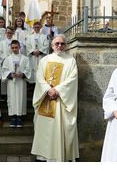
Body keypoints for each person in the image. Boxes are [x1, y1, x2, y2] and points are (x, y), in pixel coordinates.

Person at [31, 34, 79, 162]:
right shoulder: (44, 60)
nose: (60, 46)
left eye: (62, 44)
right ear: (52, 46)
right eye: (57, 43)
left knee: (59, 128)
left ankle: (59, 155)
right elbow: (39, 77)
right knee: (45, 128)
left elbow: (72, 79)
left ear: (66, 46)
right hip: (45, 99)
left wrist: (57, 90)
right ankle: (43, 156)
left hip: (61, 102)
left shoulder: (71, 61)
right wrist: (48, 89)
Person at [2, 40, 31, 127]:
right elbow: (4, 70)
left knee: (20, 98)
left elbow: (28, 69)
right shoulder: (7, 59)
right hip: (12, 83)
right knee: (12, 99)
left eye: (16, 47)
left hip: (21, 82)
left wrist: (23, 74)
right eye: (13, 48)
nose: (14, 49)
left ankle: (19, 118)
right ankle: (13, 117)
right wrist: (10, 74)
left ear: (19, 47)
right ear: (10, 48)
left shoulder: (25, 58)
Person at [0, 26, 15, 97]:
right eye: (8, 33)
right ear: (5, 33)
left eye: (11, 33)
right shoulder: (2, 43)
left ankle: (12, 93)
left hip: (13, 62)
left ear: (13, 33)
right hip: (4, 62)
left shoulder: (15, 42)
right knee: (5, 76)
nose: (9, 34)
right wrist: (6, 57)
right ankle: (4, 94)